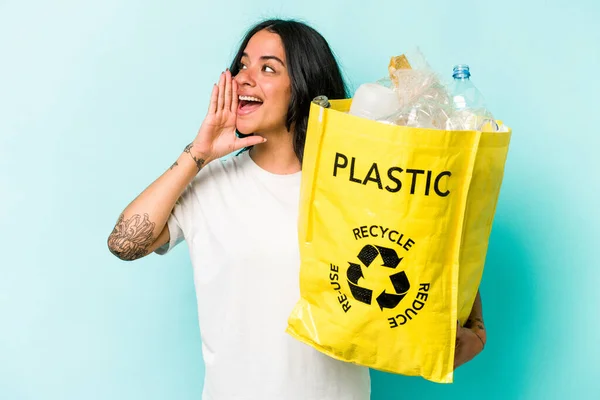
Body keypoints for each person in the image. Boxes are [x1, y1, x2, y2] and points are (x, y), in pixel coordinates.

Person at [107, 18, 486, 400]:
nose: (243, 78)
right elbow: (124, 243)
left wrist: (463, 331)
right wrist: (197, 154)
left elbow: (425, 252)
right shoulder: (209, 185)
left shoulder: (353, 185)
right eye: (241, 65)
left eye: (267, 68)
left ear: (303, 86)